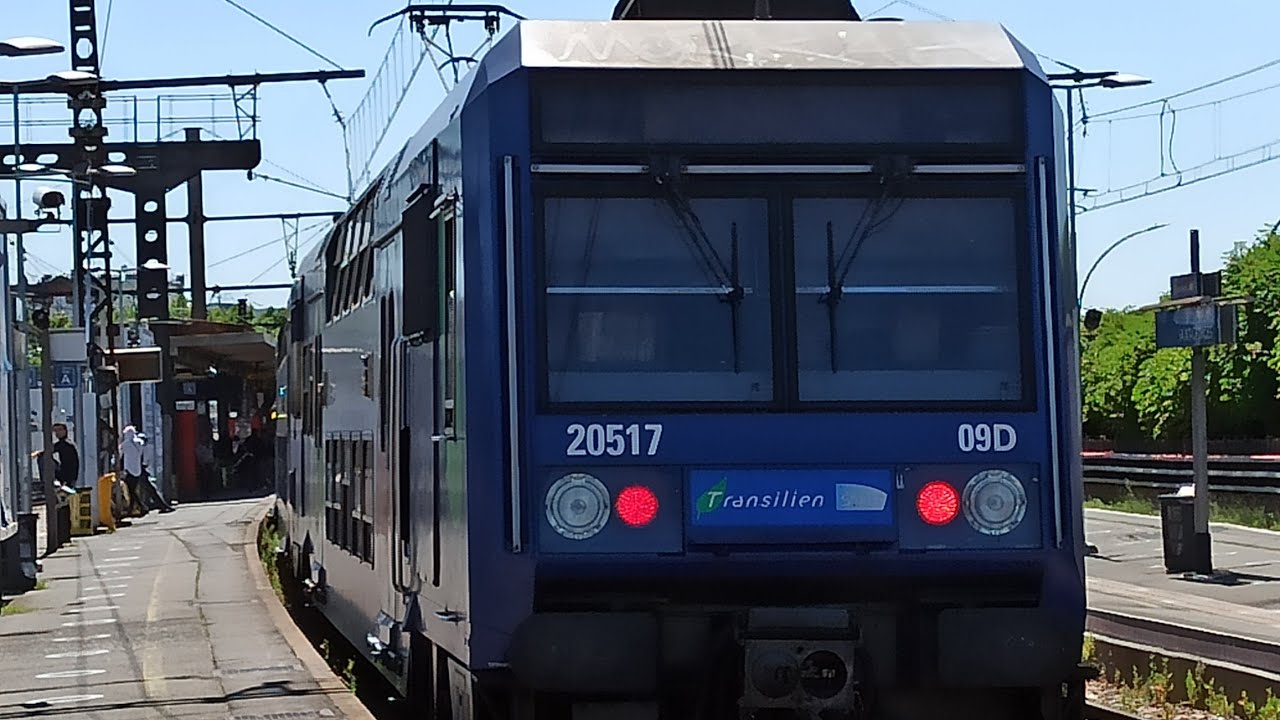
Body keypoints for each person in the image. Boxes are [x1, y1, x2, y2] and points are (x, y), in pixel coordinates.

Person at [119, 425, 172, 515]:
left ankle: (141, 507)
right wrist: (145, 463)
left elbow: (120, 454)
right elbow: (146, 455)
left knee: (131, 489)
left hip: (130, 469)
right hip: (140, 468)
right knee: (146, 488)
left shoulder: (125, 444)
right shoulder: (140, 443)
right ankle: (154, 506)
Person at [51, 423, 79, 491]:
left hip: (68, 474)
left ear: (65, 431)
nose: (57, 432)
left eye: (60, 430)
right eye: (55, 430)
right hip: (66, 474)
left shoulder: (67, 444)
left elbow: (51, 450)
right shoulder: (63, 443)